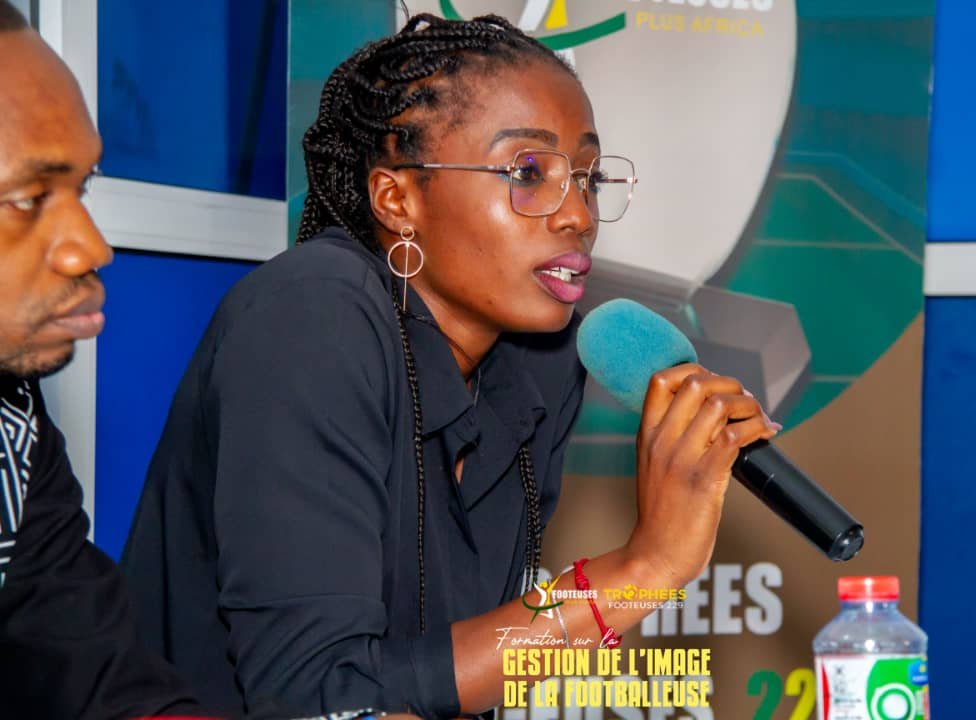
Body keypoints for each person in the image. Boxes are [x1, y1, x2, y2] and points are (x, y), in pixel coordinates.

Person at [121, 13, 779, 720]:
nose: (579, 216)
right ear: (397, 199)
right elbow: (325, 698)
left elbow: (459, 669)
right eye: (529, 173)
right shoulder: (311, 317)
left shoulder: (543, 362)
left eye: (587, 178)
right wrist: (640, 573)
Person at [0, 2, 205, 717]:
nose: (92, 247)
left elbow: (91, 673)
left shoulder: (13, 419)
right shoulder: (321, 323)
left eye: (81, 187)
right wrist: (548, 620)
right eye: (28, 197)